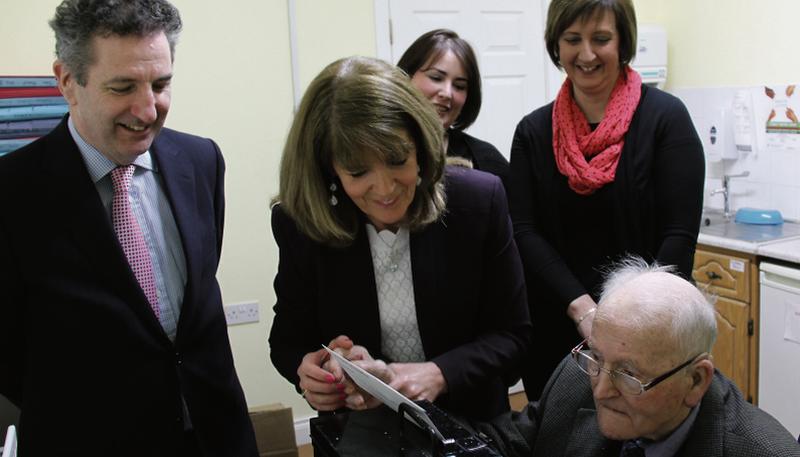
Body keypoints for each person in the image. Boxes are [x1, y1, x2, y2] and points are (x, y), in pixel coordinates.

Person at [0, 1, 258, 455]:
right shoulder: (13, 192)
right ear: (67, 81)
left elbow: (198, 298)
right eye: (122, 87)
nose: (147, 109)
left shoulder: (201, 161)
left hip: (216, 435)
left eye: (160, 84)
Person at [268, 56, 530, 421]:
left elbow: (513, 335)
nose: (385, 188)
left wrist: (438, 374)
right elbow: (287, 340)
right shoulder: (299, 224)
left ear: (420, 147)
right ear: (329, 168)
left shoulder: (478, 201)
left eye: (396, 160)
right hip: (362, 429)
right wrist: (312, 369)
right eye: (358, 172)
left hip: (471, 421)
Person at [509, 0, 705, 400]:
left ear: (623, 42)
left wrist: (624, 321)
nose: (586, 54)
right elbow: (524, 230)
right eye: (572, 39)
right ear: (556, 44)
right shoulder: (532, 131)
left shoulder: (667, 119)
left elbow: (679, 234)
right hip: (557, 331)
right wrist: (583, 310)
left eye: (601, 39)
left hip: (649, 332)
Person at [478, 257, 800, 457]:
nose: (601, 391)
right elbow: (511, 441)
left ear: (696, 380)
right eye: (597, 359)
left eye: (628, 375)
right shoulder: (580, 373)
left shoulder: (761, 451)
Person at [397, 29, 509, 186]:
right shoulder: (377, 146)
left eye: (459, 86)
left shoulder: (485, 160)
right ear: (406, 77)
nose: (447, 93)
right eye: (436, 78)